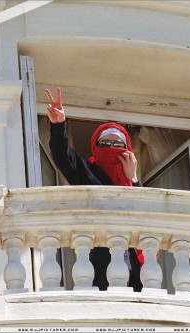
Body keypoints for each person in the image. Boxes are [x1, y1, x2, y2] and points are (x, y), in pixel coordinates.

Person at [45, 87, 143, 292]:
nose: (111, 147)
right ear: (96, 146)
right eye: (105, 143)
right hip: (101, 260)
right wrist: (58, 126)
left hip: (133, 265)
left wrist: (132, 178)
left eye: (117, 144)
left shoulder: (131, 182)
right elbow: (65, 158)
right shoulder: (89, 173)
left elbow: (142, 214)